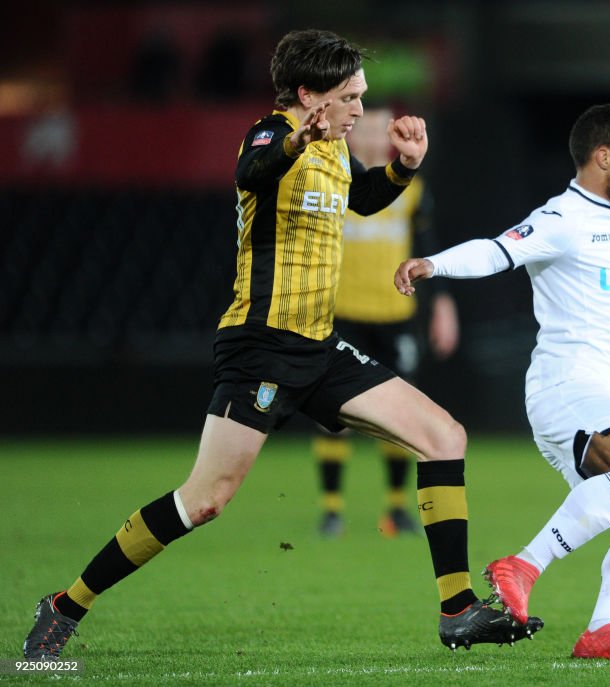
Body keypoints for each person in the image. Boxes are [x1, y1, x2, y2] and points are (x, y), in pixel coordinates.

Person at [23, 29, 540, 661]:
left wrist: (404, 166)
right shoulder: (269, 135)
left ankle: (458, 610)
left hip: (319, 347)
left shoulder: (336, 152)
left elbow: (363, 199)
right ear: (308, 95)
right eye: (351, 97)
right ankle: (65, 604)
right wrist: (299, 138)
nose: (360, 110)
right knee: (205, 500)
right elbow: (254, 168)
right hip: (260, 347)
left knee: (445, 436)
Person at [396, 103, 610, 660]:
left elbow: (594, 284)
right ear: (603, 156)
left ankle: (603, 632)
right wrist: (434, 265)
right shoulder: (564, 217)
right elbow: (498, 250)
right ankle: (521, 566)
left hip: (597, 396)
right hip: (568, 389)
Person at [312, 106, 459, 538]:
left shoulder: (411, 187)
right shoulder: (332, 180)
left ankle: (395, 509)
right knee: (331, 416)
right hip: (342, 311)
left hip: (396, 314)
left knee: (399, 416)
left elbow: (426, 245)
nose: (376, 139)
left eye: (383, 130)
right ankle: (332, 510)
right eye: (367, 130)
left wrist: (443, 304)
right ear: (352, 137)